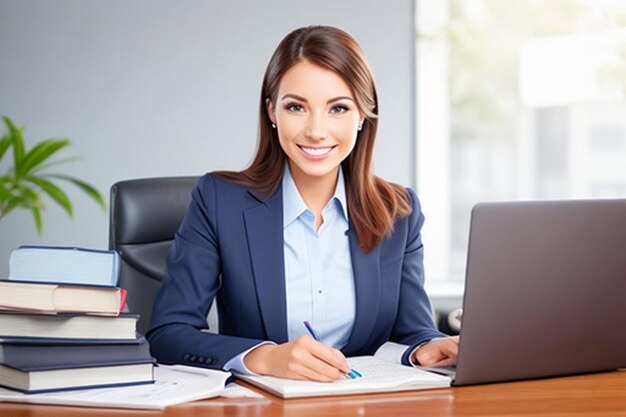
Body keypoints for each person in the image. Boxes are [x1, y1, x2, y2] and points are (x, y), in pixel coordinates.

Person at [147, 25, 458, 382]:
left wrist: (424, 349)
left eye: (338, 108)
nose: (316, 130)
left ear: (362, 116)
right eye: (296, 107)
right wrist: (264, 357)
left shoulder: (398, 211)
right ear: (272, 112)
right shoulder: (219, 200)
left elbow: (413, 331)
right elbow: (168, 334)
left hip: (366, 403)